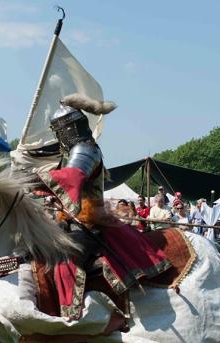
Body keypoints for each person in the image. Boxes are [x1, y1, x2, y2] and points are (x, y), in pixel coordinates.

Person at [35, 94, 171, 320]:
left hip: (88, 220)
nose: (60, 135)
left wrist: (34, 179)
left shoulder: (85, 150)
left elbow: (72, 177)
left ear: (72, 127)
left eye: (62, 129)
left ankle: (71, 315)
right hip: (72, 217)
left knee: (66, 258)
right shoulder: (74, 152)